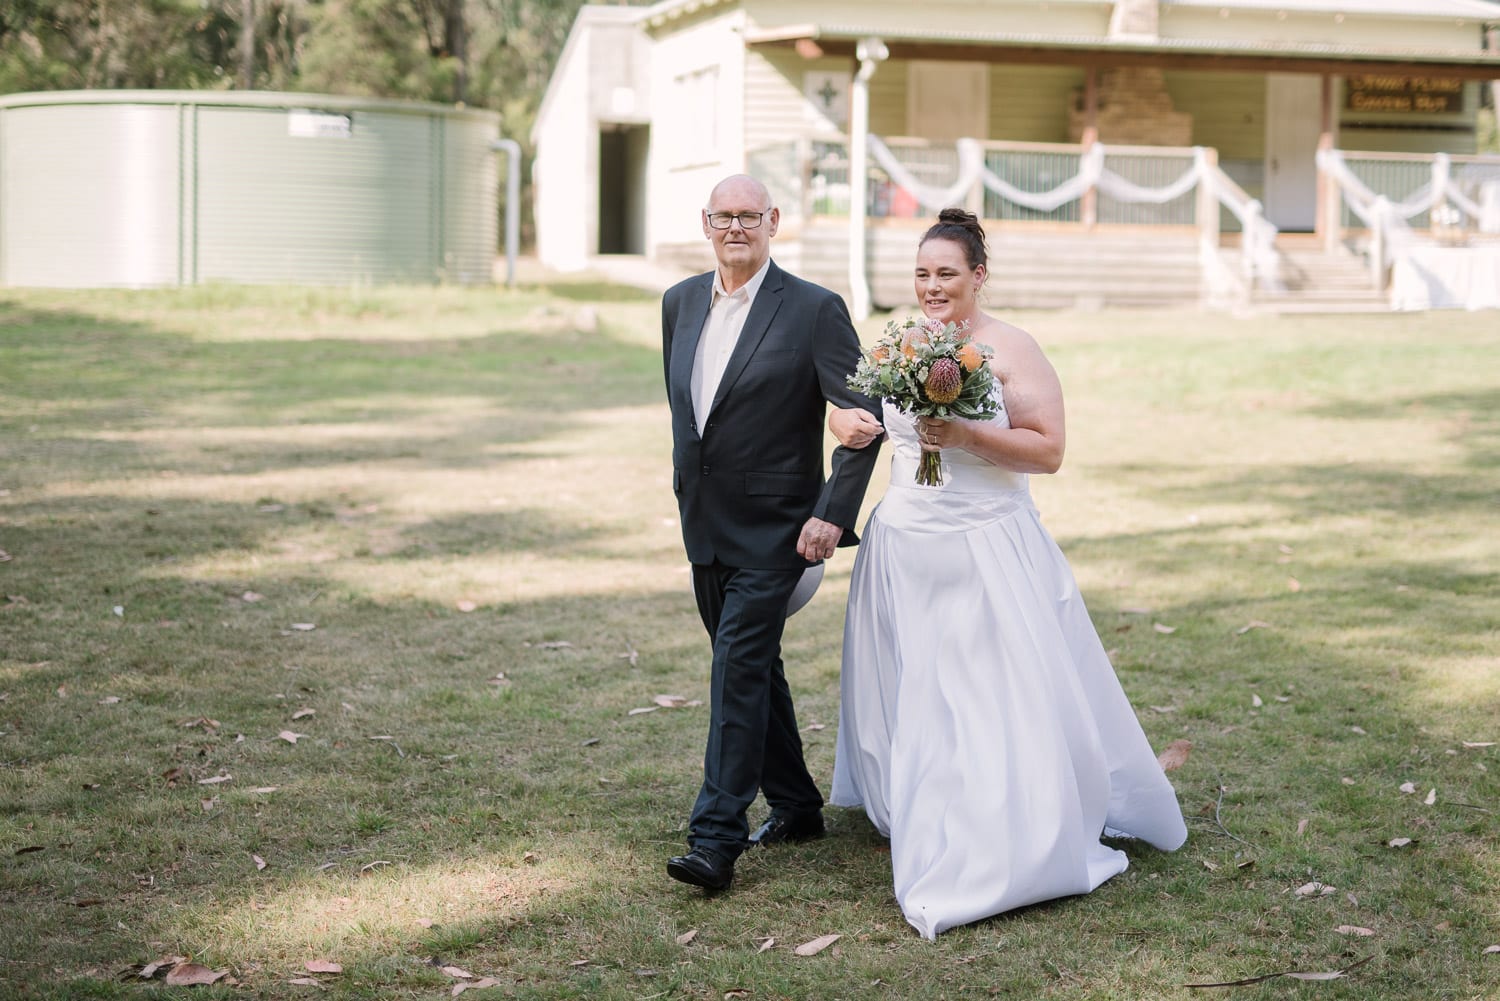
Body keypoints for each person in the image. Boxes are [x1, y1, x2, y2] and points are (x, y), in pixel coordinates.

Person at [825, 208, 1187, 939]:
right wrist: (843, 420)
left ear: (978, 276)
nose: (932, 286)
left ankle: (1001, 827)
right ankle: (927, 807)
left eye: (947, 273)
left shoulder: (1013, 348)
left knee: (983, 690)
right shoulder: (900, 342)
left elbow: (1048, 450)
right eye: (923, 273)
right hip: (904, 545)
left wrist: (964, 434)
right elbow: (864, 416)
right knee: (918, 688)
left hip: (983, 544)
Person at [661, 174, 884, 893]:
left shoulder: (815, 310)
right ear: (705, 224)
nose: (735, 228)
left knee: (735, 667)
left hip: (780, 531)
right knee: (756, 668)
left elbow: (863, 418)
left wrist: (831, 511)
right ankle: (796, 804)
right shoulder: (678, 303)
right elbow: (690, 414)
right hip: (705, 524)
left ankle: (715, 836)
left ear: (773, 222)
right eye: (723, 217)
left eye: (748, 216)